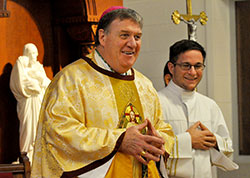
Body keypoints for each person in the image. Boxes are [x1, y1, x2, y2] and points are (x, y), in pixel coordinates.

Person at [31, 6, 174, 178]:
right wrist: (119, 140)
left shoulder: (144, 85)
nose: (132, 43)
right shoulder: (71, 79)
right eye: (124, 35)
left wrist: (159, 142)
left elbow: (162, 127)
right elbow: (59, 132)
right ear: (102, 37)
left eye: (137, 37)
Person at [158, 39, 238, 178]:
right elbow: (146, 149)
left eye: (198, 66)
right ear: (171, 68)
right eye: (186, 66)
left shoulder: (209, 105)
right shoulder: (156, 102)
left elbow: (228, 148)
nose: (193, 72)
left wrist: (215, 141)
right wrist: (188, 140)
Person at [10, 43, 51, 164]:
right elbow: (18, 84)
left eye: (36, 53)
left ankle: (39, 156)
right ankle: (26, 156)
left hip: (38, 101)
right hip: (28, 102)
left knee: (40, 127)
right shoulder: (21, 66)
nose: (35, 56)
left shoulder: (38, 67)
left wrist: (40, 82)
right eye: (32, 53)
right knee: (28, 128)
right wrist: (33, 84)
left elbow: (46, 83)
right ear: (27, 53)